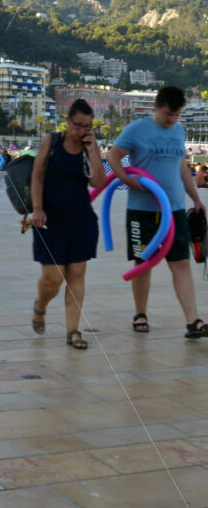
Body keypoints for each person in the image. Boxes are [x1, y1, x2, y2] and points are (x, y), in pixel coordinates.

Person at [107, 85, 208, 339]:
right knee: (143, 262)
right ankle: (140, 313)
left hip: (173, 211)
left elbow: (181, 167)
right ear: (156, 107)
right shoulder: (137, 129)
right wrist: (127, 181)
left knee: (182, 264)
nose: (171, 120)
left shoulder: (178, 131)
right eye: (167, 115)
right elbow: (114, 155)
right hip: (142, 210)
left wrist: (195, 198)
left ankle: (193, 321)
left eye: (175, 115)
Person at [30, 99, 106, 350]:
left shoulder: (88, 148)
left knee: (77, 275)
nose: (82, 130)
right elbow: (37, 177)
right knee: (53, 278)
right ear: (67, 121)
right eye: (78, 125)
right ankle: (40, 306)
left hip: (81, 220)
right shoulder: (51, 143)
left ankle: (73, 330)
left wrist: (94, 150)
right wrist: (38, 209)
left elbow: (98, 182)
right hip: (50, 220)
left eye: (87, 126)